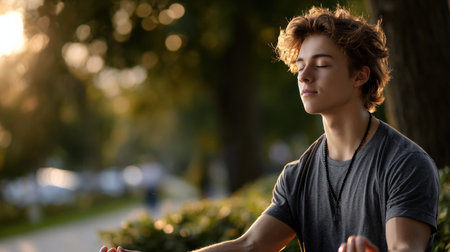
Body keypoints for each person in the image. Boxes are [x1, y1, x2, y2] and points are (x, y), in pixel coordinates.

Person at [100, 6, 439, 252]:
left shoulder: (404, 163)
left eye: (321, 65)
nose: (304, 77)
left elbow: (405, 248)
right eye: (301, 66)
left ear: (359, 76)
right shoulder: (298, 175)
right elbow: (249, 246)